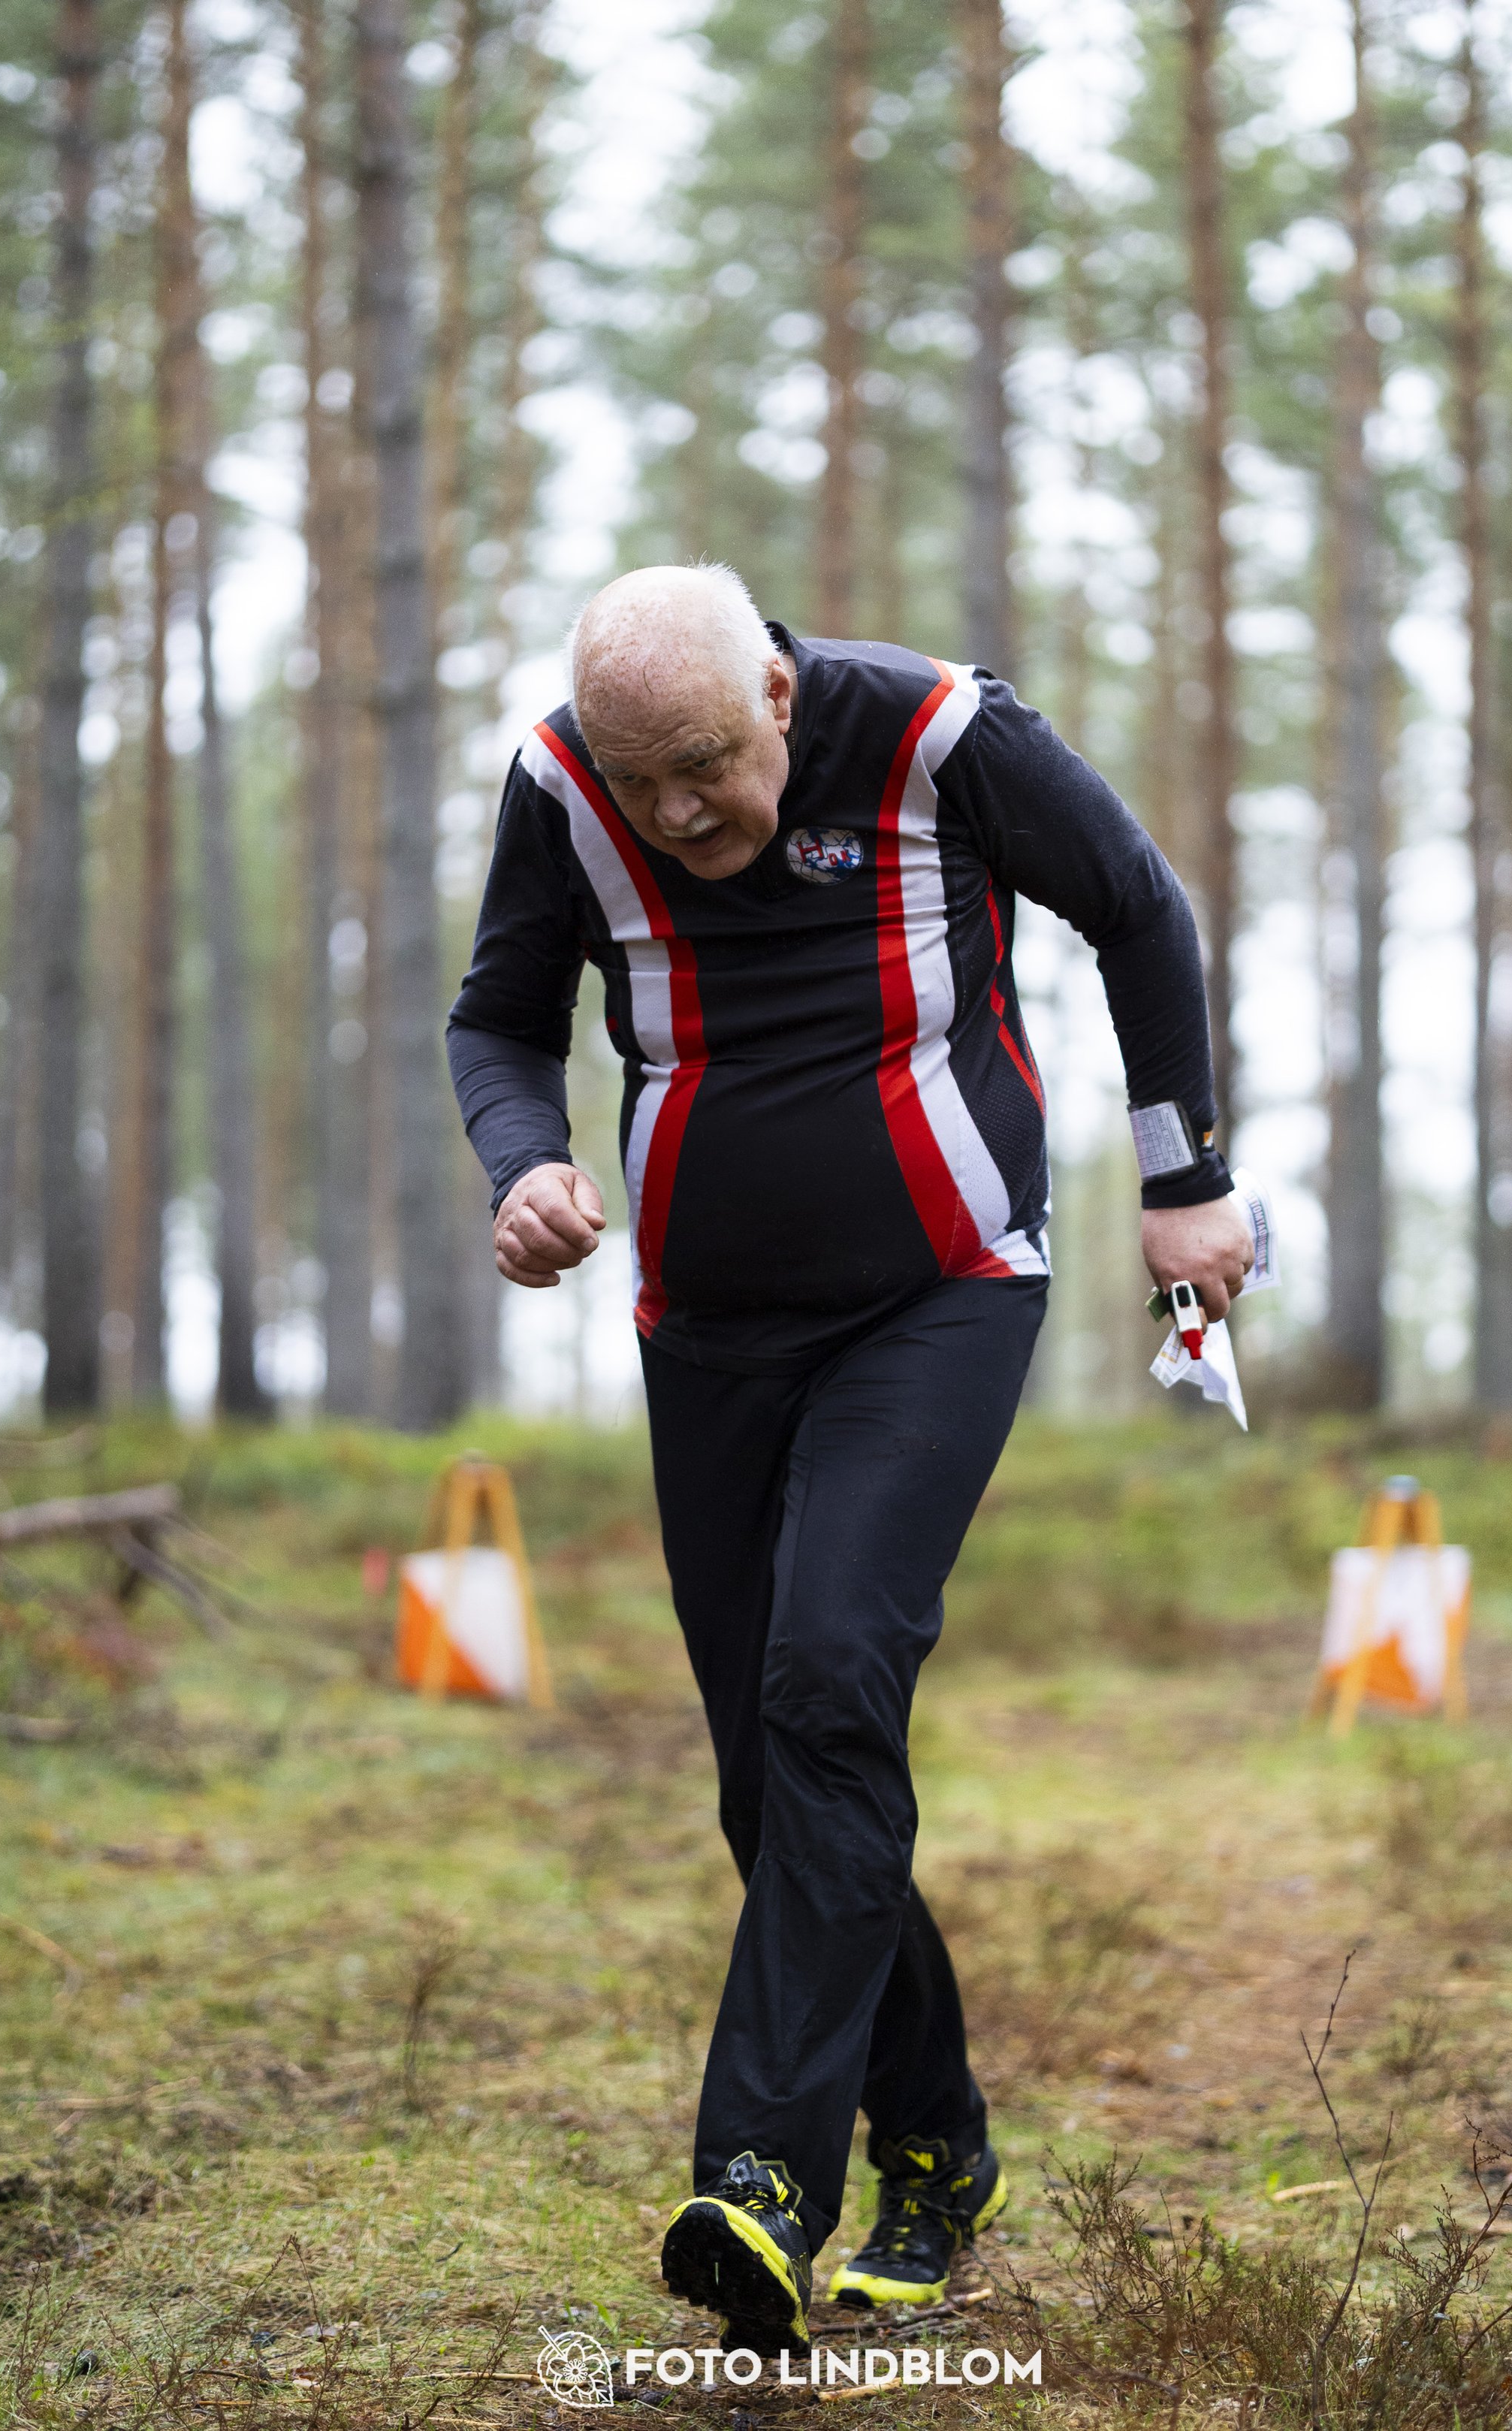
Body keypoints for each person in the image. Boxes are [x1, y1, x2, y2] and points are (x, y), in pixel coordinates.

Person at [445, 564, 1251, 2358]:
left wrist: (1183, 1174)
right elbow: (496, 1019)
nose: (677, 813)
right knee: (771, 1781)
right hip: (705, 1331)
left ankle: (761, 2178)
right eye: (642, 778)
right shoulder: (559, 788)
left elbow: (1135, 905)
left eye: (706, 766)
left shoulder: (937, 734)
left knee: (826, 1681)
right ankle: (940, 2146)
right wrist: (522, 1160)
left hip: (938, 1295)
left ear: (777, 696)